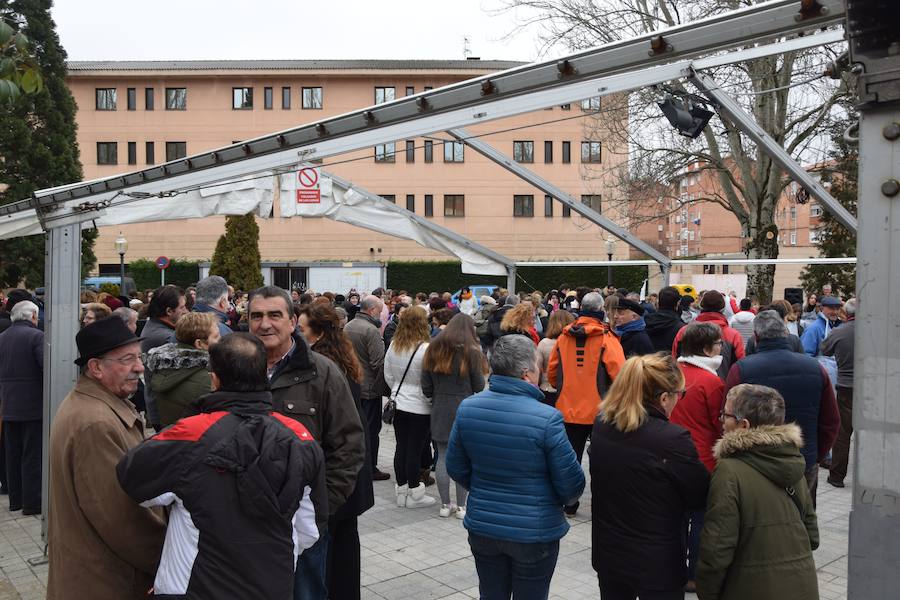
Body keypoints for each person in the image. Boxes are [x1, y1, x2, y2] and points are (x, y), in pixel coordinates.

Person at [116, 333, 326, 599]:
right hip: (272, 584)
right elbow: (310, 527)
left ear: (214, 380)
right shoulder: (301, 437)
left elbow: (132, 479)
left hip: (193, 587)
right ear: (266, 374)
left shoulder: (188, 434)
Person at [446, 335, 585, 600]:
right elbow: (571, 485)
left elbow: (456, 466)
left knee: (491, 593)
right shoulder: (547, 418)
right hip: (534, 531)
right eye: (538, 364)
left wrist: (485, 489)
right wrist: (555, 501)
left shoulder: (469, 408)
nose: (540, 369)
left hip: (484, 525)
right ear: (526, 374)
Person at [248, 285, 365, 600]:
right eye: (256, 316)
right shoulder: (235, 369)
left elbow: (348, 446)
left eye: (275, 315)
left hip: (303, 524)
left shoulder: (322, 372)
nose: (265, 324)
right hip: (244, 524)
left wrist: (320, 508)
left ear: (291, 321)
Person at [47, 318, 166, 600]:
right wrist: (167, 559)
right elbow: (120, 518)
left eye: (139, 357)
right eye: (127, 360)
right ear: (96, 368)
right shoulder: (95, 423)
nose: (139, 367)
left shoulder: (100, 407)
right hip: (105, 581)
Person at [590, 353, 709, 600]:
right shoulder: (672, 439)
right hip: (657, 563)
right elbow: (699, 495)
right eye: (681, 394)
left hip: (610, 553)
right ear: (664, 398)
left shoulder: (602, 423)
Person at [696, 384, 819, 600]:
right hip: (802, 587)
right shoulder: (793, 461)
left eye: (725, 415)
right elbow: (812, 537)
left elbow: (716, 551)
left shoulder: (729, 471)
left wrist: (707, 593)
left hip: (749, 589)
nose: (721, 421)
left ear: (743, 425)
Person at [297, 303, 374, 600]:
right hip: (349, 478)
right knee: (344, 551)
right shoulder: (342, 358)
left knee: (331, 555)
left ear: (317, 333)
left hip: (338, 476)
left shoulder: (323, 368)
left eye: (301, 330)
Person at [725, 311, 839, 507]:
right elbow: (831, 420)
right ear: (786, 334)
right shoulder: (815, 368)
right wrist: (816, 455)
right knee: (803, 516)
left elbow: (728, 416)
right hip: (803, 457)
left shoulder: (742, 369)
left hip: (754, 459)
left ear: (756, 337)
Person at [547, 292, 625, 516]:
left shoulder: (563, 337)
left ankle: (569, 503)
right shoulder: (606, 339)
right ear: (601, 310)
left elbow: (552, 372)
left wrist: (564, 388)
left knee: (570, 459)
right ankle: (601, 504)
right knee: (602, 459)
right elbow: (620, 375)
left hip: (567, 407)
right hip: (600, 410)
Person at [670, 322, 726, 592]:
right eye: (717, 344)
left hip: (670, 456)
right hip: (703, 459)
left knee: (676, 518)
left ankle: (673, 569)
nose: (721, 347)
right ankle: (693, 575)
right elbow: (719, 424)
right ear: (706, 349)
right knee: (701, 519)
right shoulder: (712, 381)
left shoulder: (673, 374)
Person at [422, 313, 487, 518]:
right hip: (465, 407)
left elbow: (426, 386)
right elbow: (479, 385)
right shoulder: (472, 352)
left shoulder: (433, 348)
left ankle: (444, 504)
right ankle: (461, 506)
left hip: (440, 406)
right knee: (464, 458)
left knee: (442, 455)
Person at [384, 306, 436, 509]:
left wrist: (397, 389)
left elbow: (387, 374)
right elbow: (429, 380)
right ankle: (415, 492)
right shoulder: (427, 348)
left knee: (401, 447)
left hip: (398, 402)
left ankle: (402, 490)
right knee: (414, 450)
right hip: (420, 405)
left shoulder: (394, 344)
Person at [0, 301, 43, 514]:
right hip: (33, 406)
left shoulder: (2, 338)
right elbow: (45, 367)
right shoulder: (36, 337)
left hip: (8, 406)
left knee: (13, 455)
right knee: (32, 455)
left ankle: (15, 500)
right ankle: (32, 503)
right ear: (33, 315)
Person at [144, 312, 220, 428]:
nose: (221, 340)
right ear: (199, 344)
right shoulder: (206, 378)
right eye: (216, 336)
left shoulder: (164, 365)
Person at [344, 295, 390, 482]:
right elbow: (378, 362)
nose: (381, 315)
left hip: (352, 386)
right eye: (379, 312)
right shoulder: (371, 330)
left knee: (357, 428)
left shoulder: (348, 326)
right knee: (371, 430)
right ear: (371, 311)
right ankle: (370, 468)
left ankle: (357, 465)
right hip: (369, 388)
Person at [821, 298, 856, 488]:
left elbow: (824, 350)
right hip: (873, 387)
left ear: (847, 313)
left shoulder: (839, 331)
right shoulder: (877, 330)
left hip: (846, 387)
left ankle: (837, 476)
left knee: (843, 433)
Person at [673, 291, 745, 379]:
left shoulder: (684, 331)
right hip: (723, 388)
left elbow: (675, 360)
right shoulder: (733, 335)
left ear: (701, 306)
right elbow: (740, 368)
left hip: (687, 387)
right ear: (723, 309)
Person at [537, 309, 575, 406]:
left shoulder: (544, 343)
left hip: (547, 389)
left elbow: (537, 370)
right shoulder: (574, 344)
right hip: (569, 391)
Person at [645, 286, 687, 353]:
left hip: (648, 362)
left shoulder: (644, 322)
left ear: (658, 303)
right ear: (677, 303)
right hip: (670, 362)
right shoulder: (682, 329)